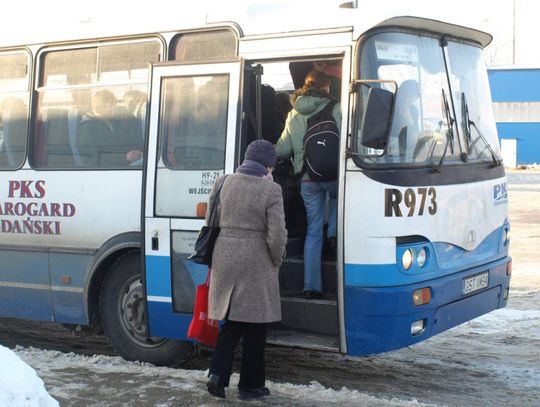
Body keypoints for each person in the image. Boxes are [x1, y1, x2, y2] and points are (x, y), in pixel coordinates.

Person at [206, 139, 287, 400]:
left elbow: (210, 221)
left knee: (230, 323)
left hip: (225, 256)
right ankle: (250, 385)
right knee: (256, 326)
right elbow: (277, 236)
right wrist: (277, 259)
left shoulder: (223, 182)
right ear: (267, 165)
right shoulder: (271, 190)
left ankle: (217, 376)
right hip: (256, 261)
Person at [275, 70, 341, 299]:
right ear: (326, 87)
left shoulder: (293, 114)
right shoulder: (336, 109)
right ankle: (334, 232)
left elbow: (282, 150)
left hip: (307, 179)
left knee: (313, 231)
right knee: (337, 204)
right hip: (334, 176)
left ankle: (311, 285)